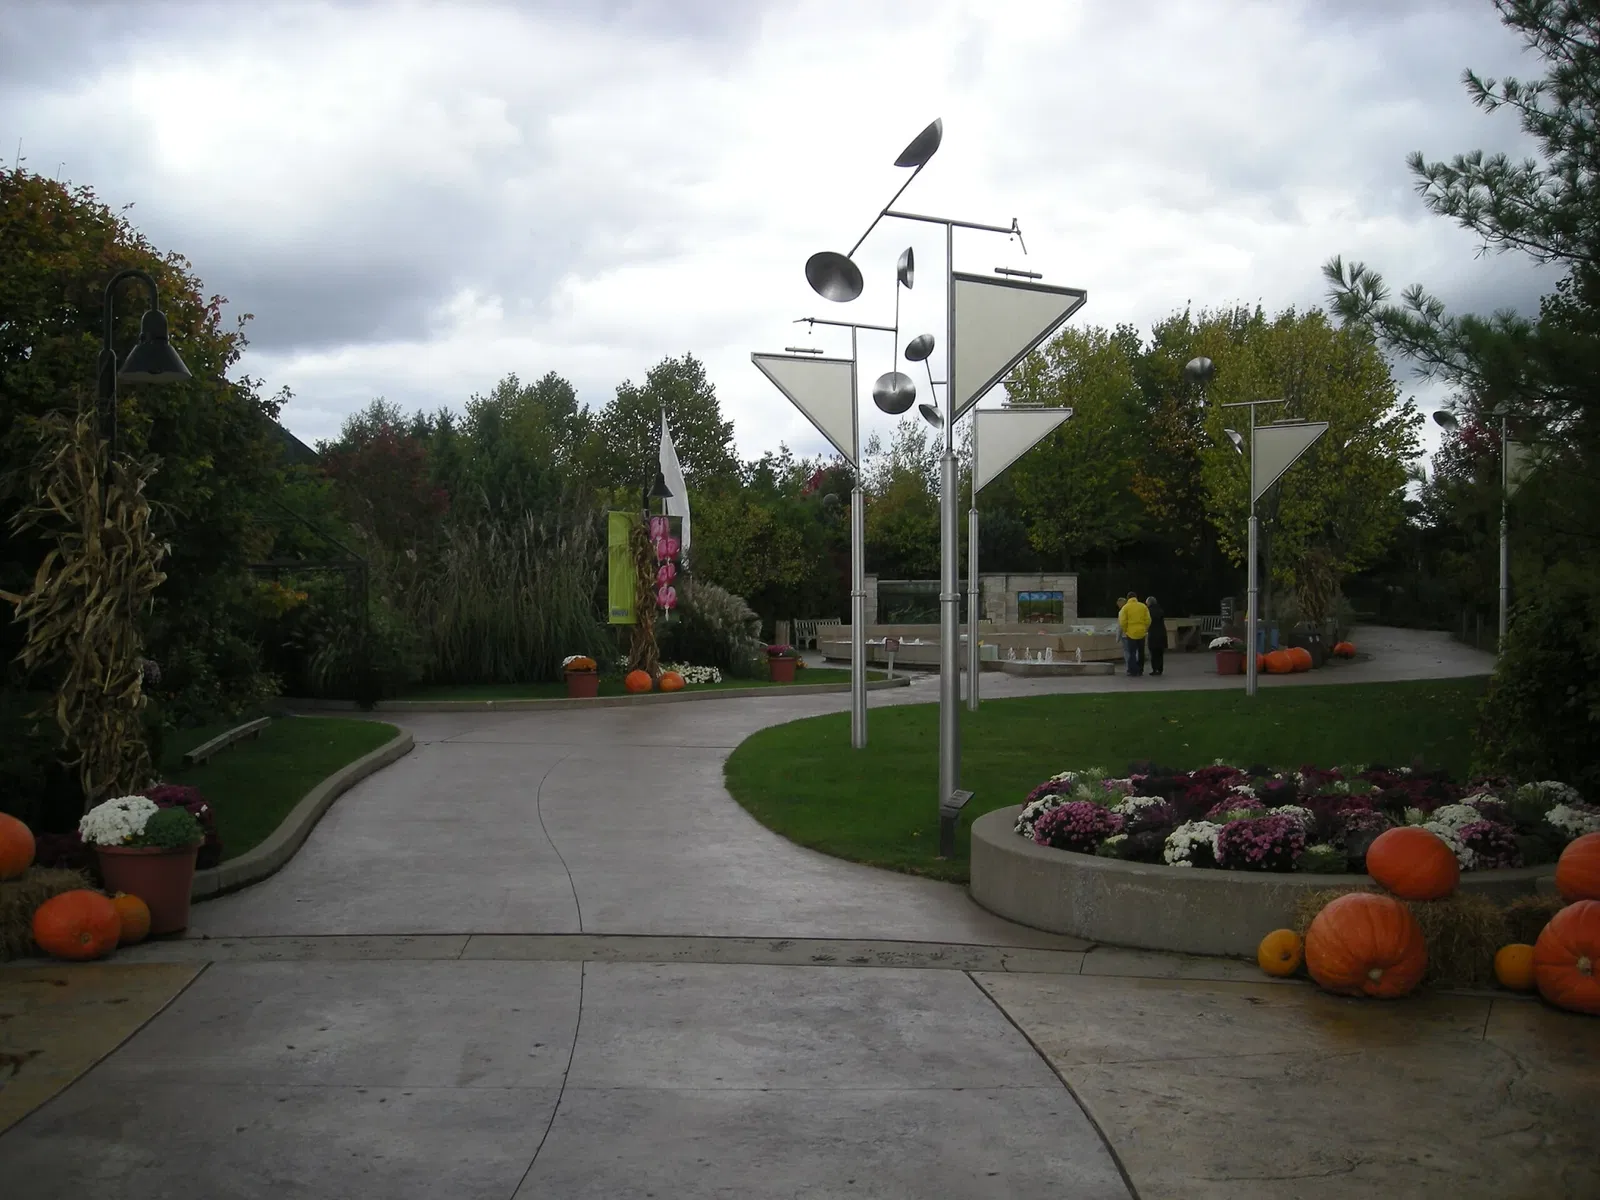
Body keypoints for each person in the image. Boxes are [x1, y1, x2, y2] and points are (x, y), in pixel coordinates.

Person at [1119, 593, 1151, 676]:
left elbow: (1122, 621)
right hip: (1141, 632)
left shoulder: (1126, 607)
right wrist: (1145, 629)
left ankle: (1133, 670)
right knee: (1141, 651)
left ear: (1128, 598)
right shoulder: (1143, 606)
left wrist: (1126, 630)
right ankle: (1140, 669)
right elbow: (1148, 620)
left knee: (1132, 652)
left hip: (1131, 633)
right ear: (1136, 597)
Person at [1145, 595, 1167, 676]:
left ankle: (1155, 669)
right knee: (1160, 653)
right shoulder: (1160, 610)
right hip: (1161, 633)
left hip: (1153, 633)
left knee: (1153, 653)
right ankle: (1160, 669)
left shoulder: (1148, 611)